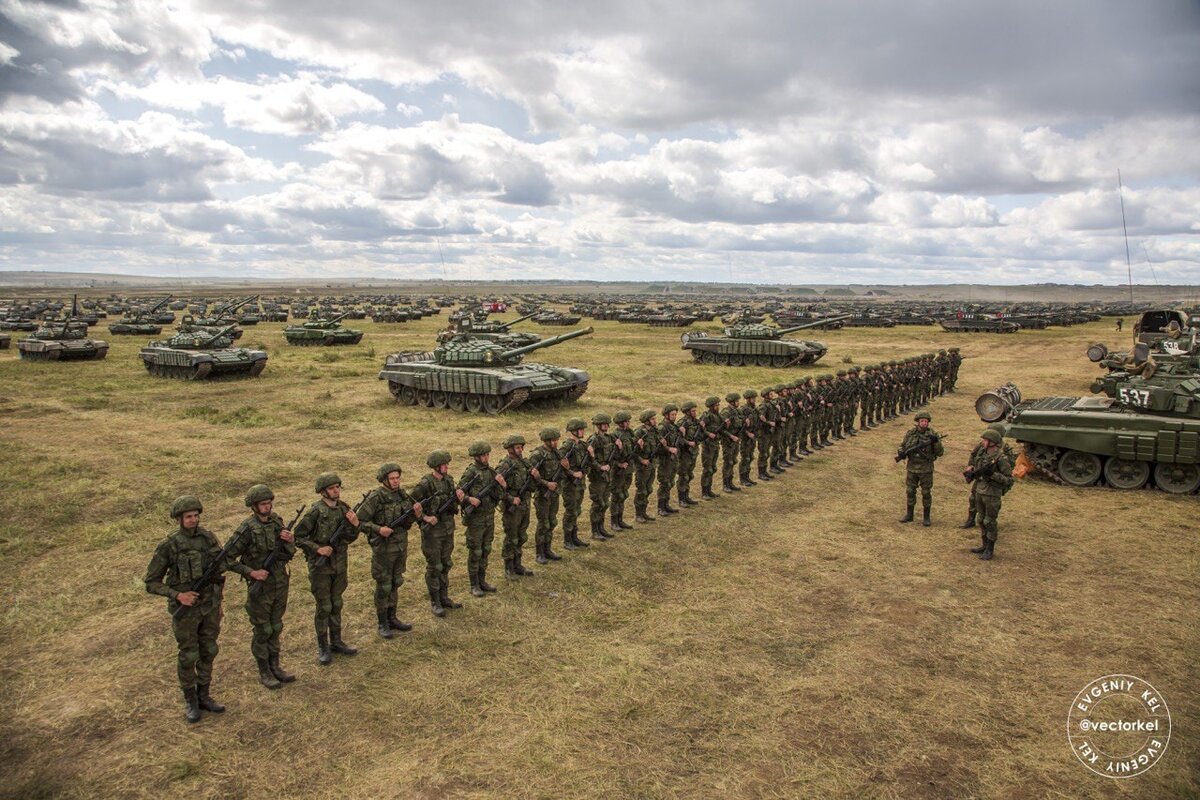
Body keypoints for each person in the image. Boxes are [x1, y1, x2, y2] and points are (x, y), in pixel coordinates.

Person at [144, 495, 227, 723]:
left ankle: (204, 695)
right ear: (179, 519)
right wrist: (178, 595)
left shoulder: (208, 538)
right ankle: (191, 700)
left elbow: (219, 575)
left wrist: (219, 604)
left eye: (196, 515)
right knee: (189, 655)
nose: (193, 520)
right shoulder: (169, 545)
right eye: (188, 516)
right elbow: (151, 582)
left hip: (209, 607)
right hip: (187, 613)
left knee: (209, 650)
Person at [225, 484, 297, 688]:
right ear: (254, 506)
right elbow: (226, 558)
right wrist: (251, 572)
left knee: (276, 625)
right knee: (262, 629)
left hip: (279, 582)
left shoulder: (277, 522)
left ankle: (276, 666)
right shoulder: (246, 529)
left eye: (269, 503)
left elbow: (288, 553)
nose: (267, 507)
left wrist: (290, 540)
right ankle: (264, 670)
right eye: (263, 504)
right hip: (260, 586)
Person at [293, 473, 361, 664]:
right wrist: (318, 549)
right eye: (332, 488)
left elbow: (349, 537)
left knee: (336, 603)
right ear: (323, 492)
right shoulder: (315, 512)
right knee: (324, 606)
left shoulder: (344, 509)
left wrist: (356, 525)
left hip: (339, 563)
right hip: (320, 567)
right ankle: (323, 646)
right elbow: (298, 537)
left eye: (338, 487)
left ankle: (337, 641)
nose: (336, 491)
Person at [358, 463, 421, 639]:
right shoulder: (376, 498)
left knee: (396, 581)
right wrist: (378, 530)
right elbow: (359, 522)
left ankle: (392, 617)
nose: (396, 481)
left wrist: (416, 514)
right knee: (384, 585)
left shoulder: (402, 495)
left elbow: (407, 521)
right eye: (392, 478)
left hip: (400, 546)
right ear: (384, 480)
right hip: (384, 550)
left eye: (397, 478)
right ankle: (382, 622)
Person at [410, 451, 465, 617]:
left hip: (447, 528)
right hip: (432, 533)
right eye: (444, 465)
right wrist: (425, 518)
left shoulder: (448, 480)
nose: (447, 467)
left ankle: (444, 597)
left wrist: (459, 498)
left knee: (446, 563)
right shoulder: (425, 484)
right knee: (435, 566)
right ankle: (435, 601)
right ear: (436, 466)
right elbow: (410, 506)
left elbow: (454, 500)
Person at [459, 441, 506, 597]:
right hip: (476, 520)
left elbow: (499, 494)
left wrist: (501, 484)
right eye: (483, 455)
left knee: (486, 549)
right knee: (475, 551)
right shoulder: (470, 473)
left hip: (488, 517)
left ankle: (482, 581)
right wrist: (469, 499)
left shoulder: (491, 472)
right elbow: (458, 493)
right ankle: (474, 584)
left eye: (487, 454)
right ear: (476, 457)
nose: (486, 457)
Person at [966, 429, 1014, 560]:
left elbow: (1009, 479)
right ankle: (984, 545)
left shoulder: (1001, 458)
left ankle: (990, 549)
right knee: (980, 519)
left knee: (989, 521)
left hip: (992, 493)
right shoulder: (983, 453)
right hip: (980, 490)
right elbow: (976, 464)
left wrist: (992, 475)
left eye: (985, 440)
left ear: (992, 442)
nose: (982, 442)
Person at [896, 412, 944, 526]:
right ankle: (909, 515)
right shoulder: (911, 433)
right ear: (918, 422)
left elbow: (940, 453)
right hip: (912, 467)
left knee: (926, 492)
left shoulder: (933, 435)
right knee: (910, 491)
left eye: (926, 421)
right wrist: (901, 452)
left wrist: (935, 442)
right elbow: (902, 445)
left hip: (926, 468)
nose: (924, 423)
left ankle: (926, 517)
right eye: (922, 421)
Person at [498, 434, 535, 578]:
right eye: (518, 447)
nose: (521, 449)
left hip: (525, 503)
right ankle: (508, 567)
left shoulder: (524, 463)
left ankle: (518, 564)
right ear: (510, 449)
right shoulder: (505, 465)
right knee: (511, 537)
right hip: (512, 507)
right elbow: (497, 489)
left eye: (521, 447)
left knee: (521, 535)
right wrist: (511, 499)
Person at [528, 428, 564, 564]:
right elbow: (531, 477)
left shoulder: (556, 453)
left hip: (554, 493)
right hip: (542, 495)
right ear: (547, 441)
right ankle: (539, 553)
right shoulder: (537, 455)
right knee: (543, 524)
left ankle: (548, 549)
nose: (556, 442)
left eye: (557, 440)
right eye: (554, 440)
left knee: (552, 521)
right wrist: (545, 483)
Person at [559, 418, 591, 549]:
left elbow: (588, 463)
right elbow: (561, 464)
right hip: (570, 484)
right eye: (580, 429)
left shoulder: (582, 445)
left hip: (580, 483)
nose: (583, 431)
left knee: (576, 510)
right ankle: (567, 540)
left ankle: (574, 537)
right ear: (573, 431)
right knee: (571, 511)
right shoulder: (567, 446)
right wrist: (572, 473)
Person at [587, 412, 616, 540]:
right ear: (598, 425)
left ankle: (601, 527)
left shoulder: (609, 438)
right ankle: (595, 531)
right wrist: (600, 467)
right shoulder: (594, 440)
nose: (605, 426)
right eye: (602, 424)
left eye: (606, 424)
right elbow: (589, 459)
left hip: (607, 475)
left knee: (605, 502)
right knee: (598, 503)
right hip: (598, 476)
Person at [608, 411, 636, 528]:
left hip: (628, 469)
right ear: (621, 423)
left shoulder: (630, 433)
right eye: (626, 421)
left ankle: (620, 519)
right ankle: (614, 521)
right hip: (618, 471)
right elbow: (609, 457)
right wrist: (618, 464)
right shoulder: (615, 436)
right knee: (616, 496)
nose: (629, 423)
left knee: (623, 494)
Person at [633, 409, 660, 522]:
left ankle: (644, 512)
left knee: (648, 489)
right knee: (641, 490)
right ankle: (638, 514)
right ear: (647, 421)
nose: (655, 420)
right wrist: (641, 460)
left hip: (651, 464)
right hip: (642, 466)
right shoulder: (639, 432)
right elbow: (632, 452)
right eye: (652, 419)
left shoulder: (654, 431)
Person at [656, 404, 681, 515]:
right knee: (664, 483)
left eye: (675, 414)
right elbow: (657, 447)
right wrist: (668, 449)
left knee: (670, 482)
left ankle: (666, 505)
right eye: (672, 414)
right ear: (666, 415)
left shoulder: (673, 427)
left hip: (673, 460)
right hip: (665, 460)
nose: (674, 416)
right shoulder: (662, 428)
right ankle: (661, 507)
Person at [676, 401, 701, 507]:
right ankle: (681, 499)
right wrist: (687, 441)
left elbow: (701, 435)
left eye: (695, 410)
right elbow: (677, 440)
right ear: (687, 412)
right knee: (683, 476)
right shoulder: (682, 423)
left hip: (693, 452)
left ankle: (686, 496)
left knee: (689, 475)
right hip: (685, 454)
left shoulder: (696, 422)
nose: (695, 412)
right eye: (693, 411)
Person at [699, 396, 723, 499]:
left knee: (712, 468)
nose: (718, 406)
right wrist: (708, 434)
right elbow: (700, 428)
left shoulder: (717, 416)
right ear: (712, 406)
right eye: (716, 405)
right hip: (708, 446)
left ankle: (709, 490)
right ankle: (704, 492)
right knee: (707, 469)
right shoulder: (706, 416)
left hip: (715, 445)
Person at [720, 392, 743, 493]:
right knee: (728, 462)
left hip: (735, 440)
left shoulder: (737, 411)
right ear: (732, 402)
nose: (738, 402)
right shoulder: (726, 412)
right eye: (737, 401)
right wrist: (731, 436)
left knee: (733, 461)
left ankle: (730, 482)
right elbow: (721, 429)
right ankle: (725, 484)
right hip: (728, 441)